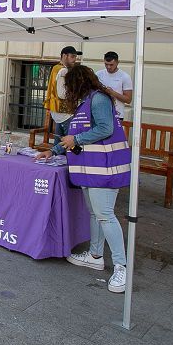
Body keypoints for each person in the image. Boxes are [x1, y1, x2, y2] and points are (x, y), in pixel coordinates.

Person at [36, 65, 132, 294]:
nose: (67, 89)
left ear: (78, 82)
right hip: (92, 169)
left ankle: (121, 266)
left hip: (105, 169)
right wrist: (54, 150)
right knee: (95, 213)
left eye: (68, 85)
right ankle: (95, 255)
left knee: (105, 215)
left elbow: (105, 129)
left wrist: (76, 138)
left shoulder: (98, 100)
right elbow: (71, 138)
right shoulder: (86, 102)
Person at [45, 46, 81, 136]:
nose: (75, 59)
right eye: (72, 56)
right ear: (64, 56)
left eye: (75, 57)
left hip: (56, 110)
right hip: (64, 111)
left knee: (59, 142)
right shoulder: (63, 70)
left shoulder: (56, 67)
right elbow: (62, 94)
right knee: (68, 143)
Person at [96, 51, 133, 119]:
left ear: (117, 62)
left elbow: (128, 100)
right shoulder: (98, 74)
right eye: (106, 64)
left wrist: (112, 92)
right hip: (99, 113)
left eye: (111, 65)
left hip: (116, 114)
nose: (108, 67)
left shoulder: (124, 77)